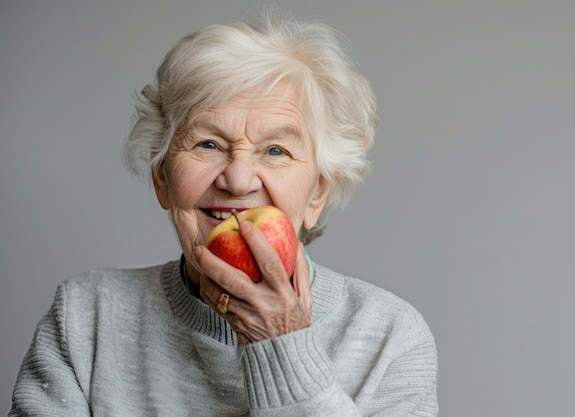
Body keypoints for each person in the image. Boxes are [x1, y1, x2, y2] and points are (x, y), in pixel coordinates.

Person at [10, 10, 438, 416]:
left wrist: (281, 344)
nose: (237, 180)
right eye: (208, 144)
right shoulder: (85, 316)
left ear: (316, 196)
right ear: (162, 178)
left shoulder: (391, 338)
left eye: (275, 150)